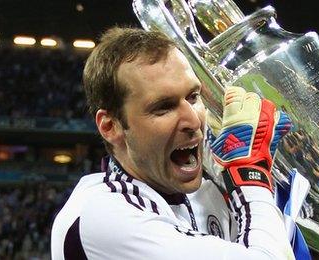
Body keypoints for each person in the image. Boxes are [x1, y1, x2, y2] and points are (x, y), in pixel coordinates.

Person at [51, 26, 294, 259]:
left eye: (193, 96)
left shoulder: (207, 194)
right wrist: (250, 175)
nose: (193, 120)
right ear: (110, 126)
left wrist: (267, 181)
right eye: (163, 107)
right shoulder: (103, 214)